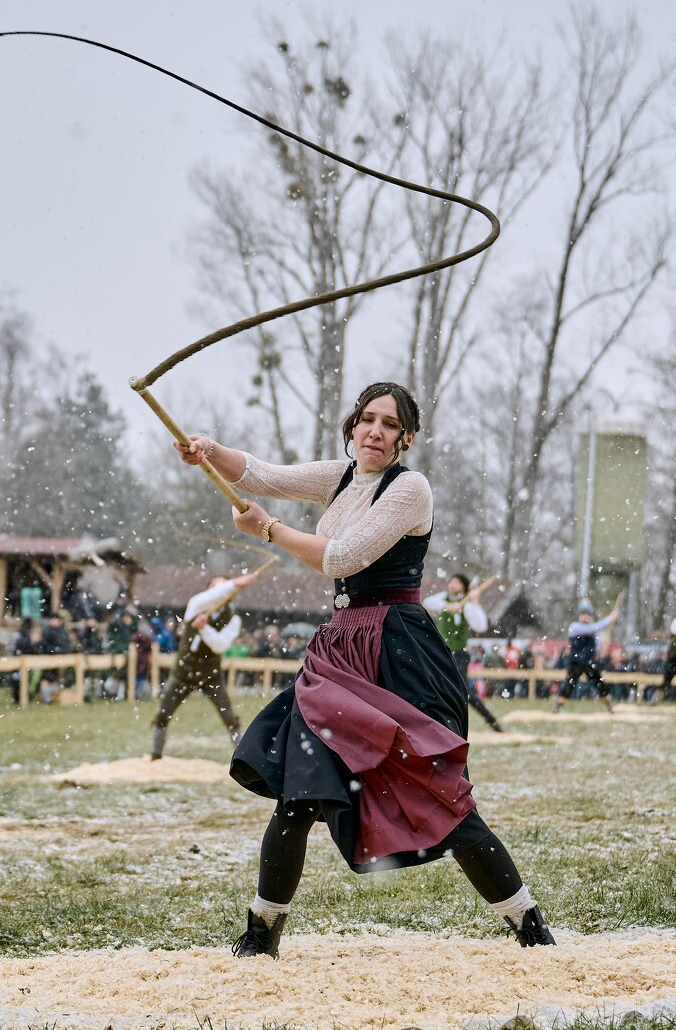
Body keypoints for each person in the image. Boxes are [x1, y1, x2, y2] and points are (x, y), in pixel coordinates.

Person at [178, 380, 554, 958]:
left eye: (389, 424)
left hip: (397, 651)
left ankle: (529, 925)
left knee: (439, 798)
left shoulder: (411, 489)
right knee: (298, 794)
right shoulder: (340, 475)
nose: (375, 431)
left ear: (407, 438)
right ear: (353, 425)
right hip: (339, 650)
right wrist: (208, 450)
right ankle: (261, 933)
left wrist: (269, 530)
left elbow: (342, 556)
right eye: (367, 419)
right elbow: (263, 475)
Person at [149, 573, 255, 760]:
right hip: (183, 673)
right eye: (215, 588)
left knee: (229, 717)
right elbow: (206, 597)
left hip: (210, 676)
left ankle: (242, 758)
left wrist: (204, 628)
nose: (220, 592)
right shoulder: (196, 606)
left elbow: (219, 645)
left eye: (224, 588)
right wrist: (234, 583)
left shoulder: (233, 620)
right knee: (163, 713)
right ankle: (156, 754)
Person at [422, 574, 505, 732]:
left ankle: (489, 720)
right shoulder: (443, 598)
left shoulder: (467, 605)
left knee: (462, 691)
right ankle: (439, 724)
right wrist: (447, 606)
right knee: (435, 687)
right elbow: (427, 602)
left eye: (458, 582)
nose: (453, 585)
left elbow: (480, 626)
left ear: (464, 587)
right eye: (452, 581)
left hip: (459, 654)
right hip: (440, 652)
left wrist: (475, 603)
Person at [556, 598, 621, 713]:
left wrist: (600, 649)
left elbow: (595, 643)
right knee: (569, 684)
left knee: (599, 683)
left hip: (589, 662)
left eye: (588, 614)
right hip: (576, 662)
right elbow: (593, 628)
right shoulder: (575, 627)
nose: (586, 617)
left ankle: (608, 705)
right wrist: (610, 619)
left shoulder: (592, 630)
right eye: (583, 614)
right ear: (579, 615)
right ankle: (557, 706)